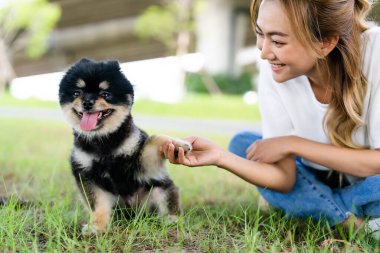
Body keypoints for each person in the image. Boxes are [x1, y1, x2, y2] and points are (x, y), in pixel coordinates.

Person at [161, 0, 380, 237]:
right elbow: (285, 179)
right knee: (242, 145)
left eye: (277, 41)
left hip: (371, 182)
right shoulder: (274, 68)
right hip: (314, 175)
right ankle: (356, 220)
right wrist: (220, 157)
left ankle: (321, 210)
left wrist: (293, 144)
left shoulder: (375, 51)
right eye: (259, 34)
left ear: (325, 43)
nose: (264, 52)